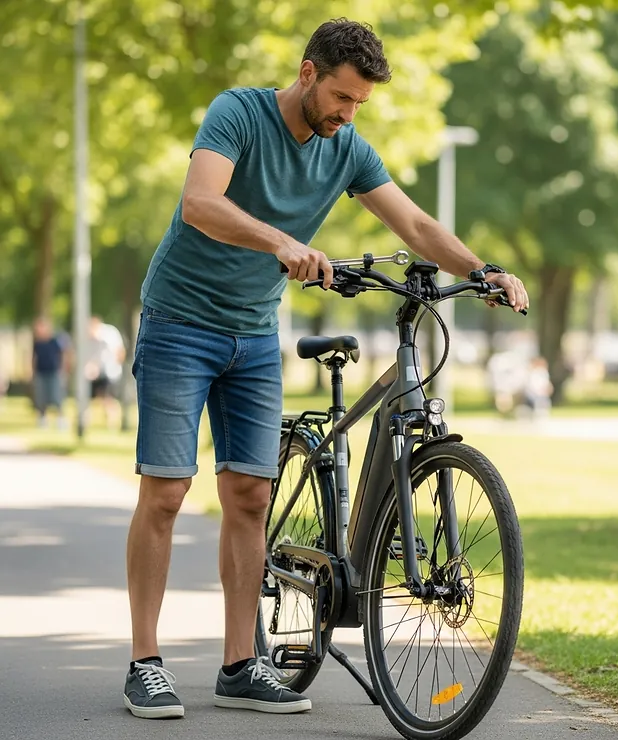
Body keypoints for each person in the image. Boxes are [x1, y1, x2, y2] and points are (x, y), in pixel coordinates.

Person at [123, 18, 529, 720]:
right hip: (179, 324)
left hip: (253, 335)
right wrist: (281, 241)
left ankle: (240, 666)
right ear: (308, 74)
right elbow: (200, 204)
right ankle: (145, 663)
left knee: (250, 495)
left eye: (360, 104)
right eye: (341, 97)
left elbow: (415, 225)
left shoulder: (347, 148)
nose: (348, 114)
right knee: (166, 492)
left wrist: (482, 269)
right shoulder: (238, 113)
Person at [86, 316, 126, 427]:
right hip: (98, 371)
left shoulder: (110, 334)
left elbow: (119, 351)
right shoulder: (91, 338)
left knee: (108, 398)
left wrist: (116, 366)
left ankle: (112, 421)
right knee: (96, 395)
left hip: (111, 371)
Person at [30, 317, 70, 428]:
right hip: (41, 372)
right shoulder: (37, 343)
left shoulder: (55, 341)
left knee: (57, 396)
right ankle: (42, 418)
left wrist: (63, 369)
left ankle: (61, 418)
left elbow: (63, 354)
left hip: (54, 372)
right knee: (41, 397)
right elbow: (34, 358)